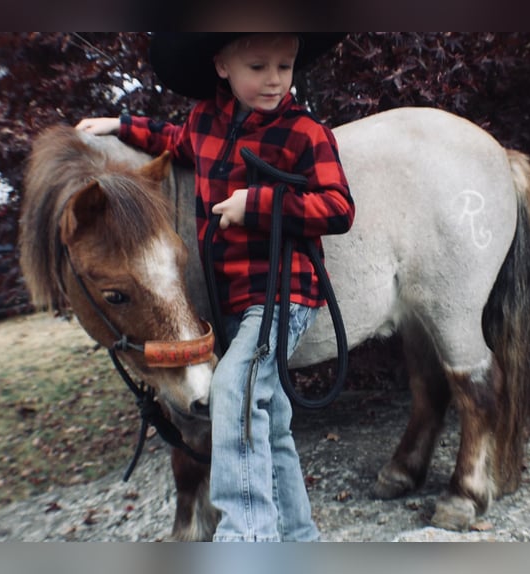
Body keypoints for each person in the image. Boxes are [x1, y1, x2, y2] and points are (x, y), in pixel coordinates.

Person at [76, 33, 353, 542]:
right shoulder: (205, 120)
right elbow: (171, 139)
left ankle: (247, 538)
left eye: (284, 66)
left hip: (282, 293)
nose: (274, 79)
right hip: (233, 298)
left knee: (233, 390)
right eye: (258, 65)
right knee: (267, 423)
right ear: (222, 66)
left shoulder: (305, 133)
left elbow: (338, 209)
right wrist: (120, 124)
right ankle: (297, 536)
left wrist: (260, 204)